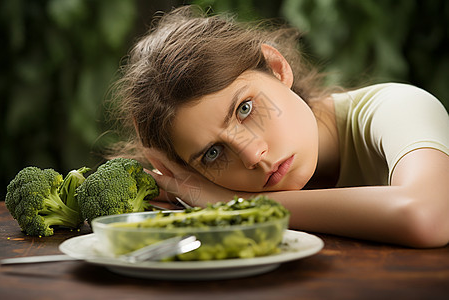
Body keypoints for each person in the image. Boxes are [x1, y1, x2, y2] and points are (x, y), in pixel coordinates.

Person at [110, 6, 449, 248]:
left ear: (276, 68)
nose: (253, 154)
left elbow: (427, 216)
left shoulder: (397, 107)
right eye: (213, 153)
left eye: (245, 108)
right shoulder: (200, 195)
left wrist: (235, 204)